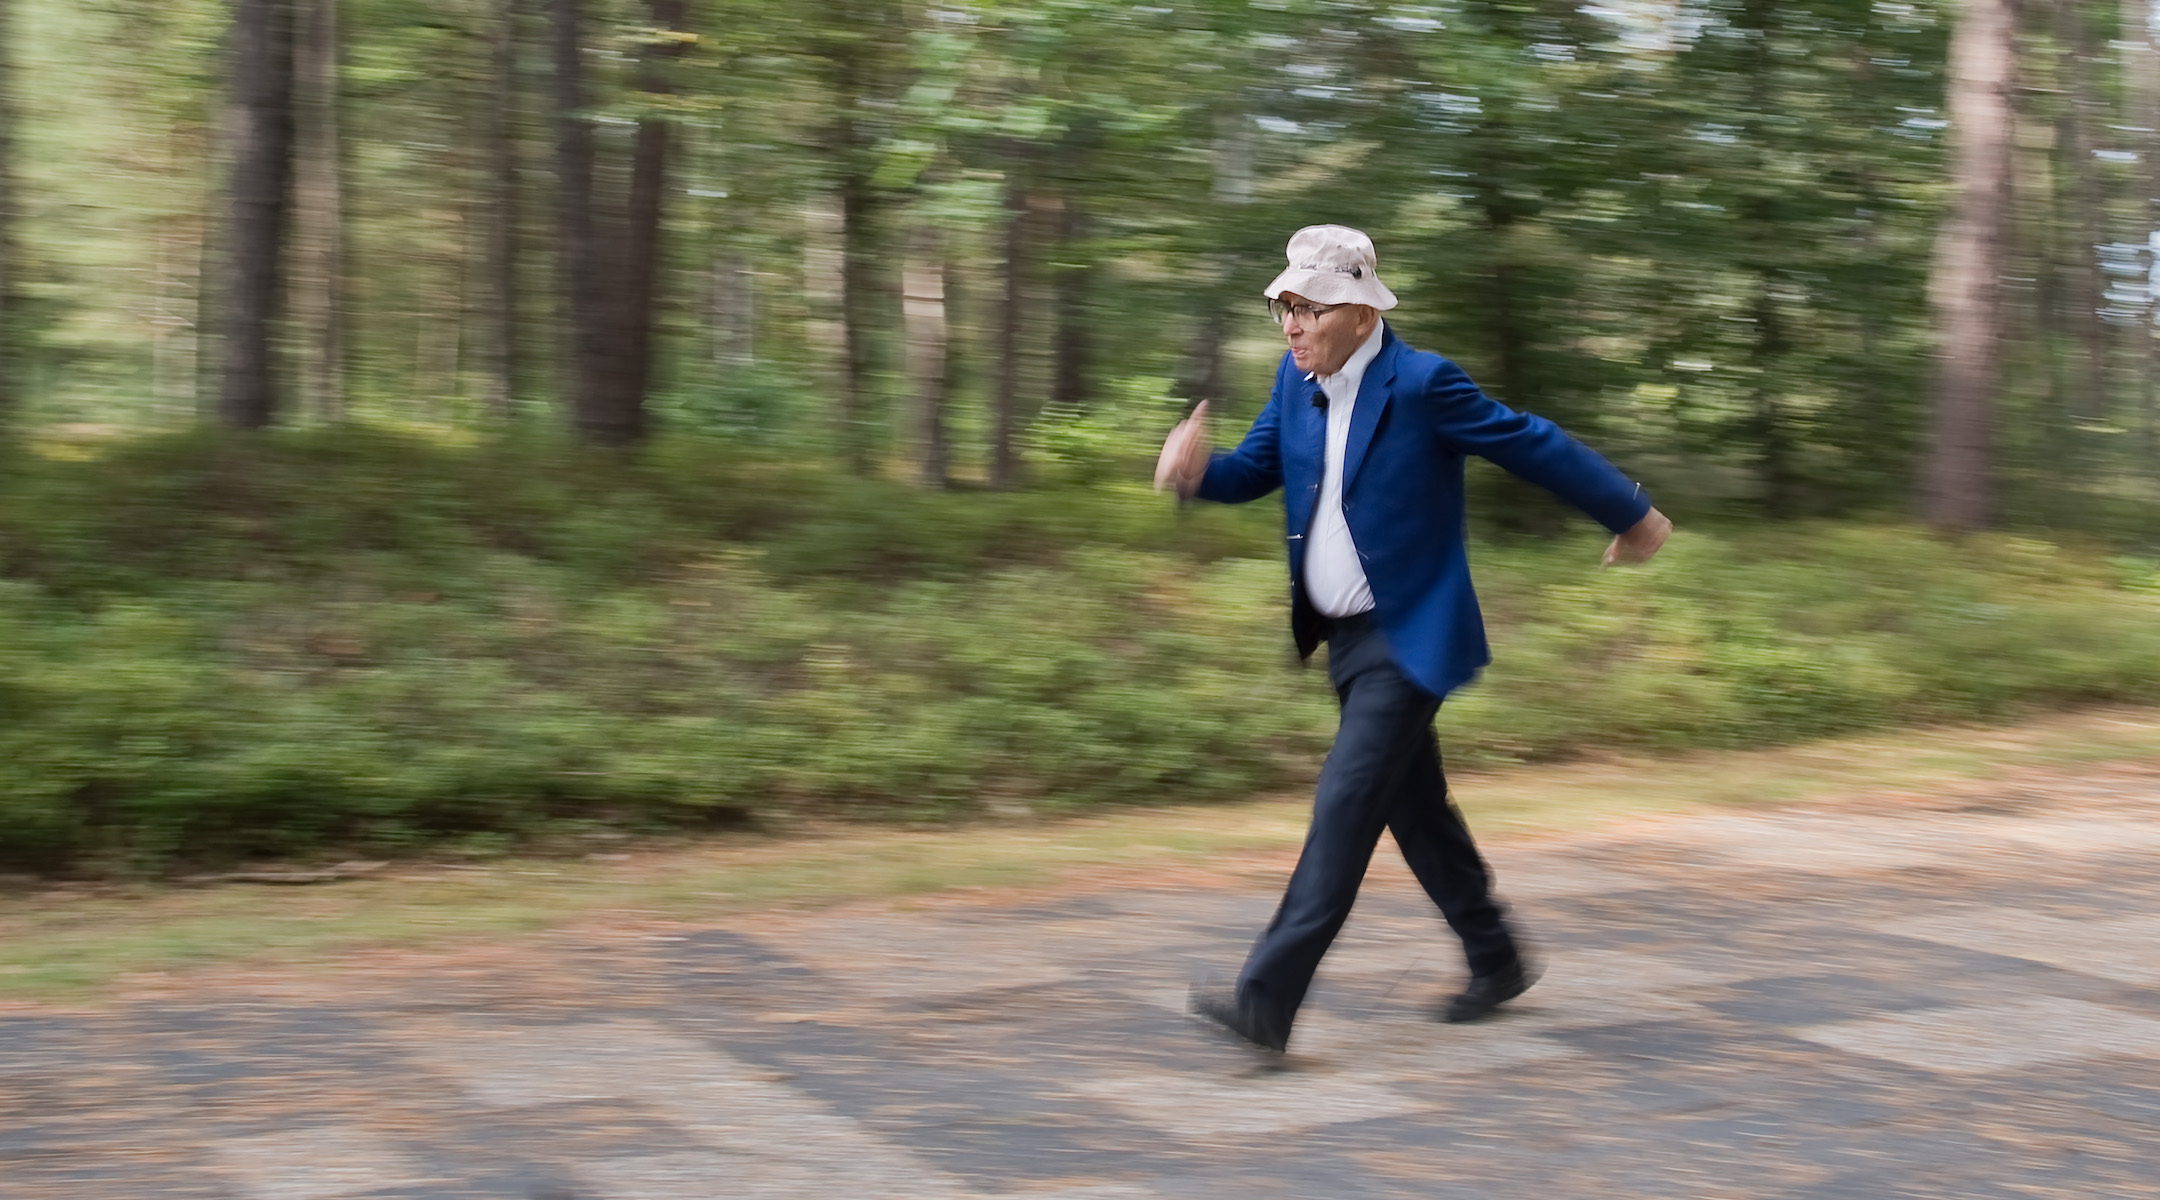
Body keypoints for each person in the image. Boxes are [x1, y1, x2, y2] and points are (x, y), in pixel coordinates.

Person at [1157, 225, 1671, 1053]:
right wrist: (1194, 473)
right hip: (1346, 641)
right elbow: (1251, 470)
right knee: (1414, 808)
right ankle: (1495, 956)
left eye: (1309, 308)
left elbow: (1530, 443)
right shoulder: (1296, 385)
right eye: (1283, 307)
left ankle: (1266, 999)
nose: (1291, 325)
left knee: (1345, 804)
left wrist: (1633, 514)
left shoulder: (1424, 384)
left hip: (1411, 636)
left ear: (1361, 312)